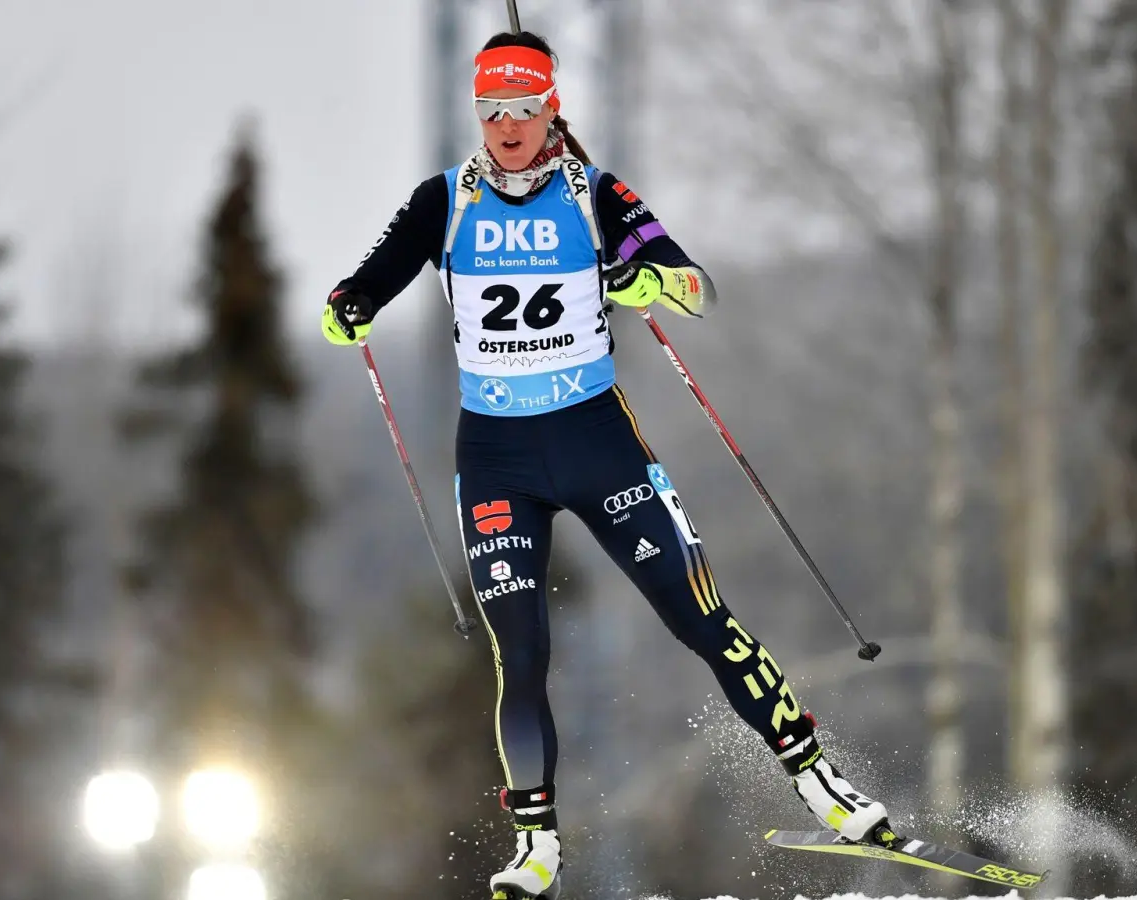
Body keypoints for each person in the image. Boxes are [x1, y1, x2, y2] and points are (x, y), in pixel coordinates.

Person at [322, 30, 896, 900]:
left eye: (523, 107)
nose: (507, 126)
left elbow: (697, 287)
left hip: (597, 442)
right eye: (491, 110)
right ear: (476, 115)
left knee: (700, 614)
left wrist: (650, 282)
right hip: (496, 459)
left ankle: (824, 786)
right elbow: (372, 279)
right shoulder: (443, 201)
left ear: (551, 107)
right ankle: (537, 847)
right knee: (521, 654)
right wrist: (348, 307)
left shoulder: (596, 194)